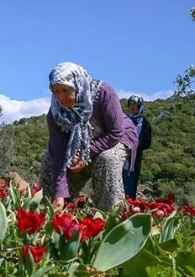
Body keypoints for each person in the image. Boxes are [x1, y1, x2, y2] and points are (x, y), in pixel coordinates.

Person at [38, 62, 138, 211]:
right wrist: (59, 194)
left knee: (107, 158)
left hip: (116, 137)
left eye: (66, 90)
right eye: (56, 91)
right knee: (48, 158)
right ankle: (51, 213)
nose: (61, 97)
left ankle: (109, 216)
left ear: (78, 85)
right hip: (80, 147)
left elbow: (115, 131)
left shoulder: (104, 93)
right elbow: (58, 153)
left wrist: (85, 154)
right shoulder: (56, 114)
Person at [121, 95, 152, 199]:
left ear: (140, 105)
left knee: (130, 185)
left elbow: (147, 143)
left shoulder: (145, 124)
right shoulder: (123, 119)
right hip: (120, 153)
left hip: (134, 159)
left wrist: (135, 147)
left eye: (135, 104)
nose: (132, 106)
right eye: (130, 104)